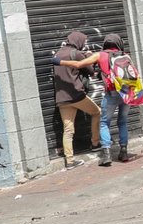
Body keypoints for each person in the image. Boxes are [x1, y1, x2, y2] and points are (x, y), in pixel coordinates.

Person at [53, 34, 132, 165]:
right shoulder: (126, 55)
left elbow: (78, 64)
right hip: (125, 93)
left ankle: (103, 155)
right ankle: (122, 151)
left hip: (108, 94)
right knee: (121, 121)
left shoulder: (100, 55)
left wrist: (59, 62)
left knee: (103, 123)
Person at [52, 31, 101, 169]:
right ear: (78, 41)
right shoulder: (76, 54)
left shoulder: (57, 54)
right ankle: (95, 143)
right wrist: (89, 56)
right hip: (76, 95)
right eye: (83, 41)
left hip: (61, 98)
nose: (84, 44)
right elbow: (90, 71)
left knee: (68, 130)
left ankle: (70, 161)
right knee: (97, 112)